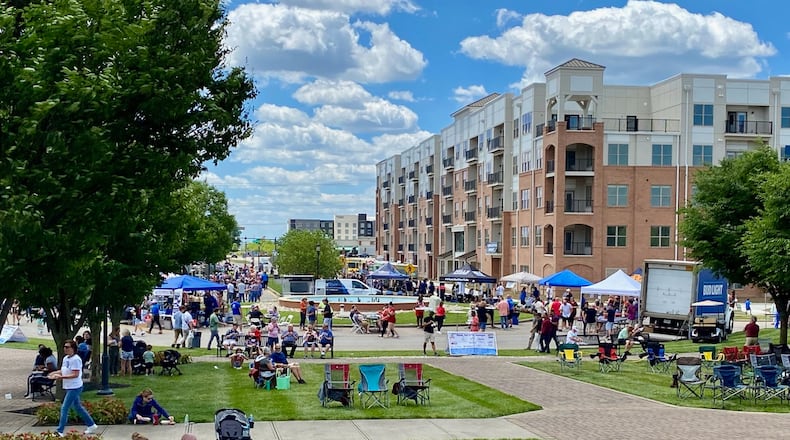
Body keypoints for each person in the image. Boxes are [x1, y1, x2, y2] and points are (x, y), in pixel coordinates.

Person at [49, 339, 99, 436]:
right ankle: (91, 424)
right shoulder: (66, 358)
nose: (65, 349)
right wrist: (54, 373)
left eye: (67, 347)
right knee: (78, 407)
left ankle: (59, 431)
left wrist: (60, 377)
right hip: (69, 386)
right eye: (64, 347)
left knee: (64, 407)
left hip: (75, 387)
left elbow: (75, 374)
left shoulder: (76, 359)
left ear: (73, 349)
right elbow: (64, 370)